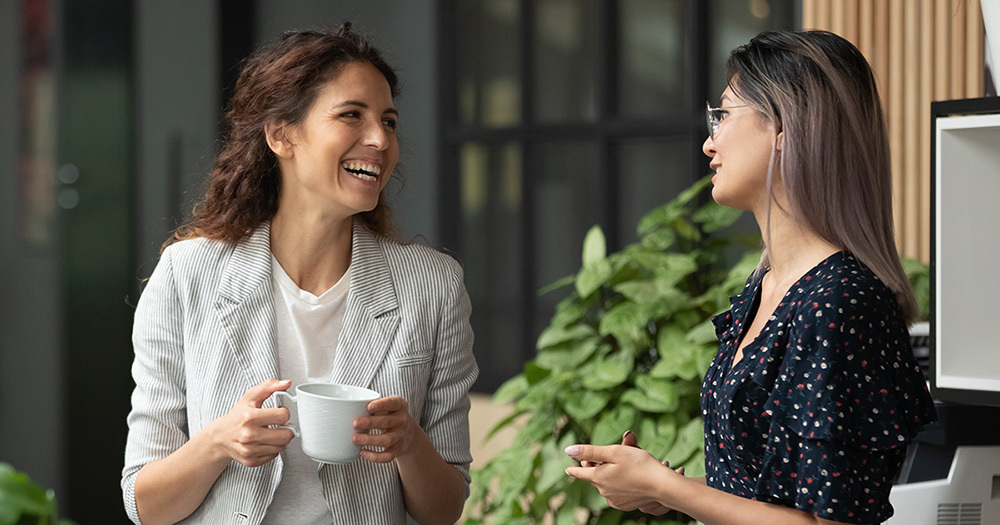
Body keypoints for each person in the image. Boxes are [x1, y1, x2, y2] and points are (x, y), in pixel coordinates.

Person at [565, 30, 936, 525]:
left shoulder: (841, 302)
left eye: (722, 116)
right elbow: (765, 493)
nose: (707, 140)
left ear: (785, 128)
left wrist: (665, 485)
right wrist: (661, 490)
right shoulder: (764, 288)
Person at [121, 24, 477, 525]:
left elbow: (444, 510)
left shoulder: (433, 287)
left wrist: (409, 445)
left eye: (389, 121)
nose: (379, 139)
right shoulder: (187, 275)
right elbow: (143, 503)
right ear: (281, 135)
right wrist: (219, 443)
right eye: (351, 115)